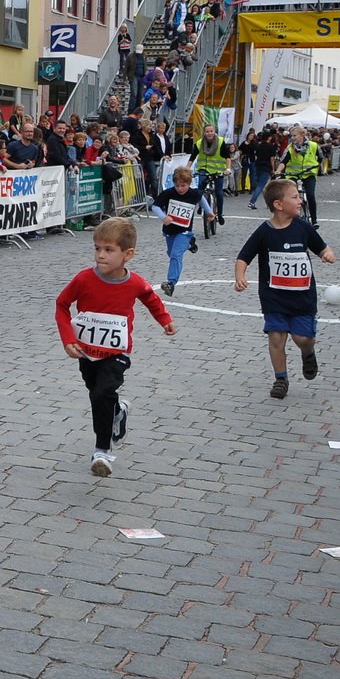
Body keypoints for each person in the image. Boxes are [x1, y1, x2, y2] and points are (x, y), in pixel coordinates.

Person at [54, 217, 175, 477]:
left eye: (108, 250)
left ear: (127, 254)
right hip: (87, 352)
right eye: (97, 249)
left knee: (101, 394)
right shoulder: (84, 279)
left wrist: (164, 320)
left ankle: (102, 451)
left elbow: (151, 299)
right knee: (97, 393)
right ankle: (118, 410)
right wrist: (68, 339)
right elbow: (62, 305)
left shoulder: (135, 283)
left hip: (117, 353)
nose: (100, 255)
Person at [234, 180, 335, 400]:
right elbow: (244, 256)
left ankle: (308, 353)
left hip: (302, 297)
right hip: (274, 297)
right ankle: (281, 378)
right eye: (295, 197)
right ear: (279, 204)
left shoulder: (303, 227)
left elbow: (322, 247)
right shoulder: (264, 231)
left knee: (302, 338)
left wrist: (327, 254)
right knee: (276, 338)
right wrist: (240, 276)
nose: (300, 201)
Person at [150, 167, 203, 296]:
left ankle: (171, 283)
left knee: (175, 255)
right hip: (170, 230)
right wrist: (163, 217)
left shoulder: (194, 193)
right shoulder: (168, 193)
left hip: (185, 231)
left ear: (189, 183)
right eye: (177, 185)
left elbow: (201, 199)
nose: (180, 188)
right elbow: (155, 206)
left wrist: (210, 212)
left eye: (183, 186)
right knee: (171, 252)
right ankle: (190, 245)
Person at [192, 124, 231, 234]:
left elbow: (227, 157)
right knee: (200, 188)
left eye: (211, 131)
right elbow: (192, 157)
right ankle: (201, 205)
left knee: (219, 192)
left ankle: (220, 214)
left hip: (218, 170)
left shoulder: (220, 142)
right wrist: (186, 169)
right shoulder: (199, 143)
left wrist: (228, 168)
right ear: (204, 132)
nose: (209, 133)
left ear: (214, 131)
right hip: (203, 169)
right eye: (207, 131)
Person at [279, 126, 321, 227]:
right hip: (293, 174)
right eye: (291, 136)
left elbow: (320, 157)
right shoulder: (290, 148)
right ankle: (292, 217)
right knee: (292, 196)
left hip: (309, 174)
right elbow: (283, 162)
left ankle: (314, 220)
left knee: (310, 195)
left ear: (302, 135)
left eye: (294, 135)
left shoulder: (314, 146)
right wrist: (278, 171)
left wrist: (317, 168)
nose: (292, 138)